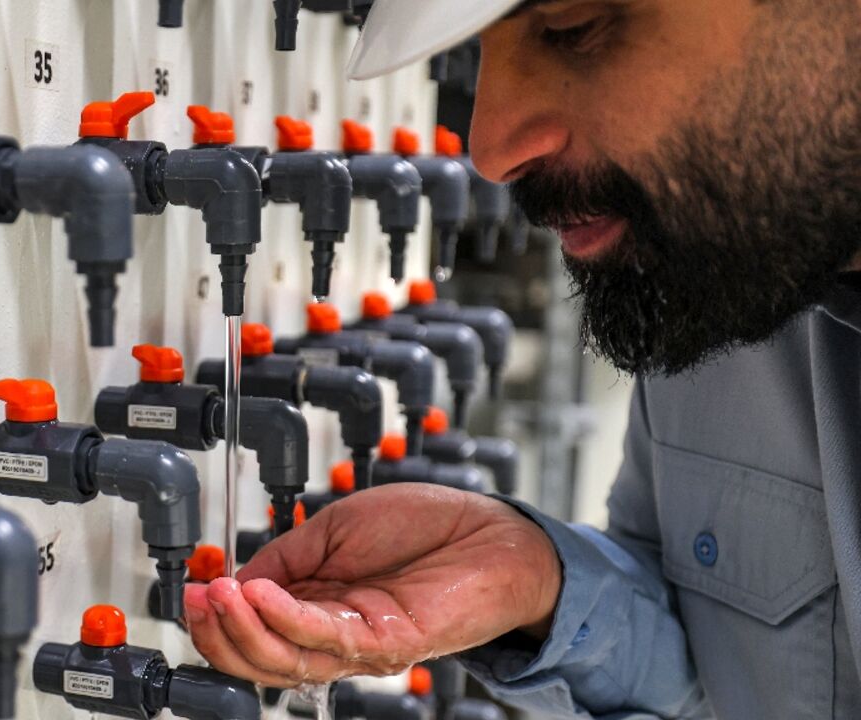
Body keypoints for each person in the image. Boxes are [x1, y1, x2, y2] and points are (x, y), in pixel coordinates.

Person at [182, 0, 861, 718]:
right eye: (478, 51)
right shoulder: (723, 269)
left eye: (574, 28)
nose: (491, 149)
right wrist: (539, 585)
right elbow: (724, 682)